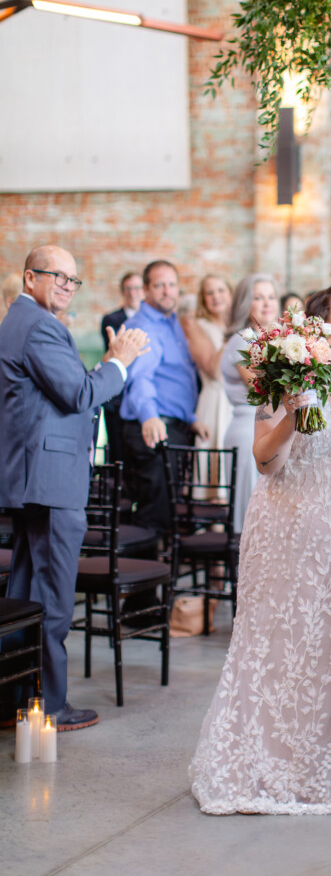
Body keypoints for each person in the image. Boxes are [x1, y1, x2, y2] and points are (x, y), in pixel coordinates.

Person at [190, 284, 331, 814]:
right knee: (273, 644)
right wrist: (296, 409)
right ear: (320, 322)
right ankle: (261, 761)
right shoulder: (284, 369)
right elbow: (266, 461)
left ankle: (326, 766)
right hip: (286, 526)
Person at [0, 245, 148, 729]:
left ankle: (15, 698)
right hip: (51, 479)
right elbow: (80, 393)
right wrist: (120, 363)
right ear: (29, 278)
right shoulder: (40, 325)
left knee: (25, 589)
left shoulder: (22, 322)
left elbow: (66, 392)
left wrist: (106, 364)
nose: (66, 285)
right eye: (57, 276)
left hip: (35, 477)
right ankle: (50, 704)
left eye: (73, 279)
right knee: (54, 595)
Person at [120, 260, 209, 535]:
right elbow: (139, 378)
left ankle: (163, 572)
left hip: (175, 426)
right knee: (154, 513)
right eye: (159, 285)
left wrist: (191, 418)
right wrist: (150, 416)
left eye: (172, 285)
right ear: (145, 289)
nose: (167, 291)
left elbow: (175, 378)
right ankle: (144, 573)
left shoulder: (174, 324)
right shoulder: (142, 326)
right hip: (153, 429)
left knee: (170, 510)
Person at [220, 274, 279, 533]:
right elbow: (261, 388)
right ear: (246, 303)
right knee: (251, 512)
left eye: (271, 296)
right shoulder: (244, 340)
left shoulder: (265, 340)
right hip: (248, 430)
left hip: (266, 428)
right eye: (258, 297)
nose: (267, 303)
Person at [179, 275, 234, 497]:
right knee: (215, 474)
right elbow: (214, 370)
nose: (216, 297)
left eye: (221, 290)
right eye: (209, 293)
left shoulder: (244, 323)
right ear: (203, 299)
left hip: (240, 400)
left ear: (231, 294)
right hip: (215, 401)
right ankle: (215, 525)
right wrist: (231, 336)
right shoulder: (197, 326)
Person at [100, 272, 145, 462]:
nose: (133, 293)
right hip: (119, 389)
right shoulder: (112, 319)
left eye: (137, 288)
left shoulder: (149, 318)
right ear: (123, 292)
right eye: (129, 288)